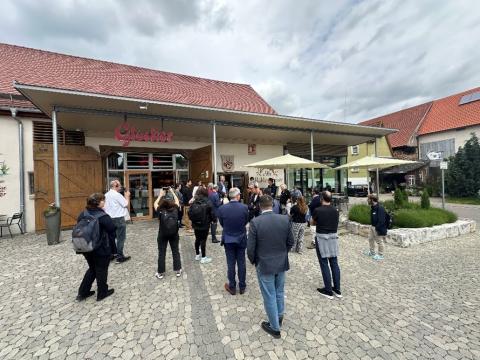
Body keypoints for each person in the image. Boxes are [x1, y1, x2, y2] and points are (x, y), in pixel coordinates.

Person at [247, 195, 294, 339]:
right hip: (280, 262)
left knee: (269, 295)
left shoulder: (255, 222)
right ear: (272, 205)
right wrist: (281, 253)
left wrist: (254, 261)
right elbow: (290, 242)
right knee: (279, 291)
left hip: (264, 263)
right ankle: (278, 317)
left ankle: (274, 327)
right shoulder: (284, 219)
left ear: (260, 206)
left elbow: (250, 248)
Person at [76, 193, 116, 301]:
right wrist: (113, 250)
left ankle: (83, 292)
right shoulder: (103, 216)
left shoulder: (83, 214)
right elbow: (112, 230)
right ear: (98, 203)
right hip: (101, 247)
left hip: (86, 246)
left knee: (93, 268)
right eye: (103, 200)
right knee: (101, 269)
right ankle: (102, 292)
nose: (104, 202)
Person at [218, 187, 249, 295]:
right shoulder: (244, 207)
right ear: (237, 196)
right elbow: (246, 221)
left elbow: (222, 223)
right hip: (241, 238)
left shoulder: (222, 209)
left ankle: (232, 286)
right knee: (241, 263)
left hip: (229, 239)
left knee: (230, 264)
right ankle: (242, 286)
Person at [311, 191, 341, 300]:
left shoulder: (317, 210)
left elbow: (312, 222)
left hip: (321, 238)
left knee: (324, 263)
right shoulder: (336, 210)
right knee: (334, 263)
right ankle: (337, 289)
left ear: (321, 198)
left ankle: (328, 290)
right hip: (333, 237)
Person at [153, 189, 182, 279]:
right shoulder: (176, 209)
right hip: (174, 234)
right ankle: (178, 270)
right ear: (172, 200)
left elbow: (155, 204)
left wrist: (160, 195)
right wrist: (172, 192)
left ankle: (160, 272)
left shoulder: (160, 210)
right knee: (175, 251)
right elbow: (177, 201)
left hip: (162, 234)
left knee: (162, 252)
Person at [104, 179, 131, 263]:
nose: (120, 187)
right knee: (121, 238)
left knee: (111, 237)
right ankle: (120, 256)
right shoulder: (117, 195)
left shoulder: (106, 194)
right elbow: (126, 204)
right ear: (115, 186)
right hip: (118, 218)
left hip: (109, 218)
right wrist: (127, 196)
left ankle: (112, 254)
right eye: (119, 185)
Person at [189, 187, 217, 264]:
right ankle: (203, 257)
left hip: (195, 224)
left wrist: (192, 221)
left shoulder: (194, 201)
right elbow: (212, 213)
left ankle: (197, 255)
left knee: (197, 239)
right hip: (205, 224)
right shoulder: (208, 201)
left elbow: (189, 213)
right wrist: (214, 220)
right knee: (203, 240)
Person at [365, 194, 387, 260]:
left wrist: (377, 228)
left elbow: (382, 220)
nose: (367, 200)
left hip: (378, 228)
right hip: (372, 226)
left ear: (372, 200)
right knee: (370, 239)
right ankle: (372, 252)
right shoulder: (372, 207)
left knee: (379, 241)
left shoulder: (380, 208)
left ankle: (380, 254)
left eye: (368, 199)